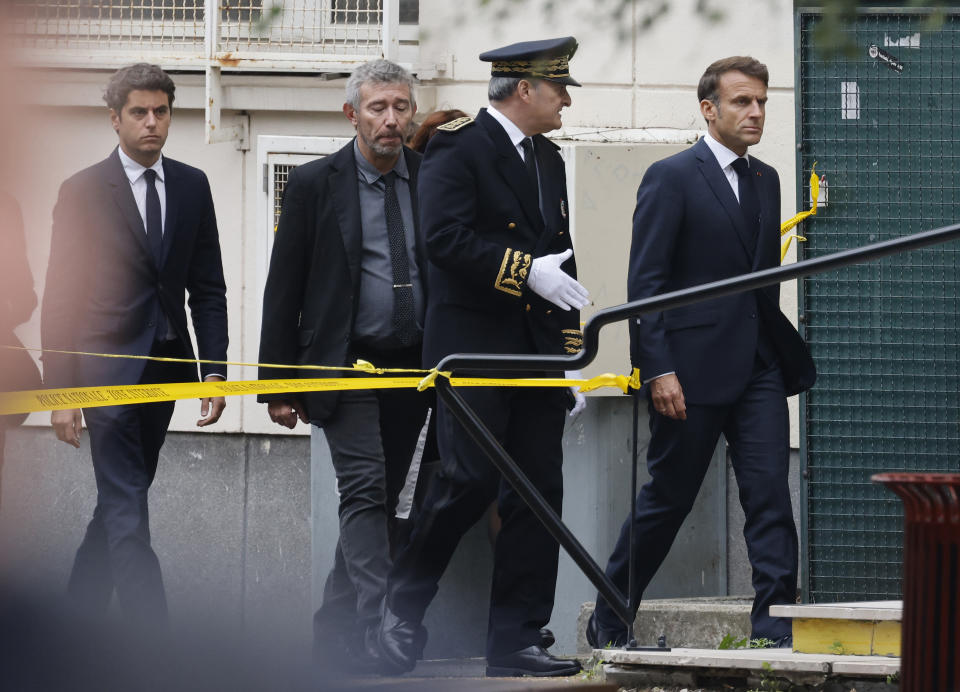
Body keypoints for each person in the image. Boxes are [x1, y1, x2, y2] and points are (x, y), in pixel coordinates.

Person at [376, 37, 589, 678]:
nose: (567, 100)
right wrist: (523, 273)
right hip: (472, 349)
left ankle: (517, 638)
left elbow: (563, 258)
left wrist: (571, 356)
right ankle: (402, 609)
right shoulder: (457, 149)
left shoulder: (547, 159)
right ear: (524, 90)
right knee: (468, 480)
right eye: (559, 88)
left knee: (537, 491)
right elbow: (443, 241)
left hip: (534, 354)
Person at [587, 56, 816, 650]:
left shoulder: (767, 178)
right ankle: (610, 617)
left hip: (758, 367)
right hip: (688, 373)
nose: (757, 112)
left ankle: (773, 632)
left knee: (769, 496)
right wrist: (657, 368)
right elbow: (649, 282)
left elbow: (761, 281)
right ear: (709, 109)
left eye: (762, 101)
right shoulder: (672, 176)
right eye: (743, 101)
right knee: (668, 499)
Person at [257, 59, 437, 671]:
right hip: (343, 366)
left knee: (381, 502)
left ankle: (331, 633)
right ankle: (371, 626)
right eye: (378, 108)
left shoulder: (428, 176)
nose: (391, 120)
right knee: (363, 491)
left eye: (401, 107)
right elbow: (283, 289)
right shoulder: (313, 184)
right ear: (352, 114)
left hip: (413, 368)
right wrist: (275, 385)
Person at [40, 63, 229, 628]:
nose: (152, 123)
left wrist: (214, 371)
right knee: (126, 506)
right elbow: (60, 296)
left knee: (122, 499)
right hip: (103, 369)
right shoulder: (81, 190)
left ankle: (75, 625)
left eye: (161, 112)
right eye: (140, 113)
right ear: (114, 119)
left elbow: (208, 285)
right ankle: (154, 645)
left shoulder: (193, 185)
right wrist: (61, 393)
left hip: (167, 366)